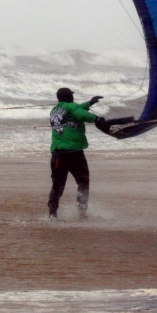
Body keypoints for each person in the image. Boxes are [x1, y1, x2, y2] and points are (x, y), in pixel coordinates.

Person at [47, 87, 109, 220]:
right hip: (75, 154)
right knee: (83, 182)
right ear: (69, 97)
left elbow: (76, 109)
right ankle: (82, 212)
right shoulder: (72, 107)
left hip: (58, 154)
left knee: (58, 185)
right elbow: (81, 114)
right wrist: (97, 119)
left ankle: (52, 214)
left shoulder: (54, 111)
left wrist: (89, 103)